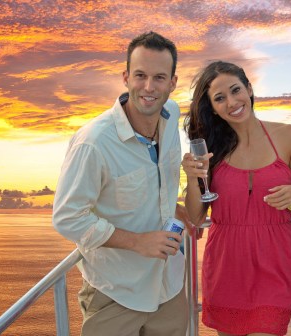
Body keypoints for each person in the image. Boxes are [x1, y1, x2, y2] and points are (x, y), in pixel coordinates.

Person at [52, 31, 189, 336]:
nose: (149, 87)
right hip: (116, 293)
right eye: (140, 75)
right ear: (126, 77)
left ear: (172, 83)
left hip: (169, 288)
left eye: (159, 77)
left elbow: (154, 179)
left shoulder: (173, 114)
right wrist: (138, 242)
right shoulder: (94, 142)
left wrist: (171, 203)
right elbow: (67, 217)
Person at [182, 61, 291, 336]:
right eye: (219, 98)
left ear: (249, 89)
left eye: (235, 90)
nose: (231, 102)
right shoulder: (210, 148)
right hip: (227, 266)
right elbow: (195, 217)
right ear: (213, 108)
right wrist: (192, 177)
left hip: (276, 265)